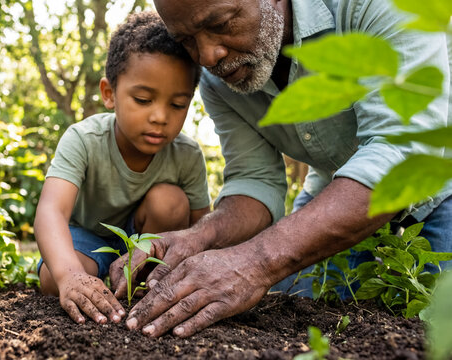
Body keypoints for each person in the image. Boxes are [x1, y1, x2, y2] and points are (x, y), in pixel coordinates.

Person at [110, 0, 452, 338]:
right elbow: (254, 180)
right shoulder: (219, 81)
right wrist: (198, 237)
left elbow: (402, 151)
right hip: (335, 193)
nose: (207, 56)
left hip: (442, 187)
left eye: (221, 23)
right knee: (290, 308)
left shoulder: (372, 5)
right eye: (187, 40)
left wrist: (256, 262)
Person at [34, 11, 211, 326]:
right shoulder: (84, 139)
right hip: (87, 237)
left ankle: (146, 287)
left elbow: (201, 229)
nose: (160, 116)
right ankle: (98, 283)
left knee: (170, 201)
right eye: (143, 100)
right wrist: (70, 275)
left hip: (147, 246)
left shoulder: (186, 155)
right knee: (52, 279)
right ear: (109, 93)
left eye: (177, 104)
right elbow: (51, 211)